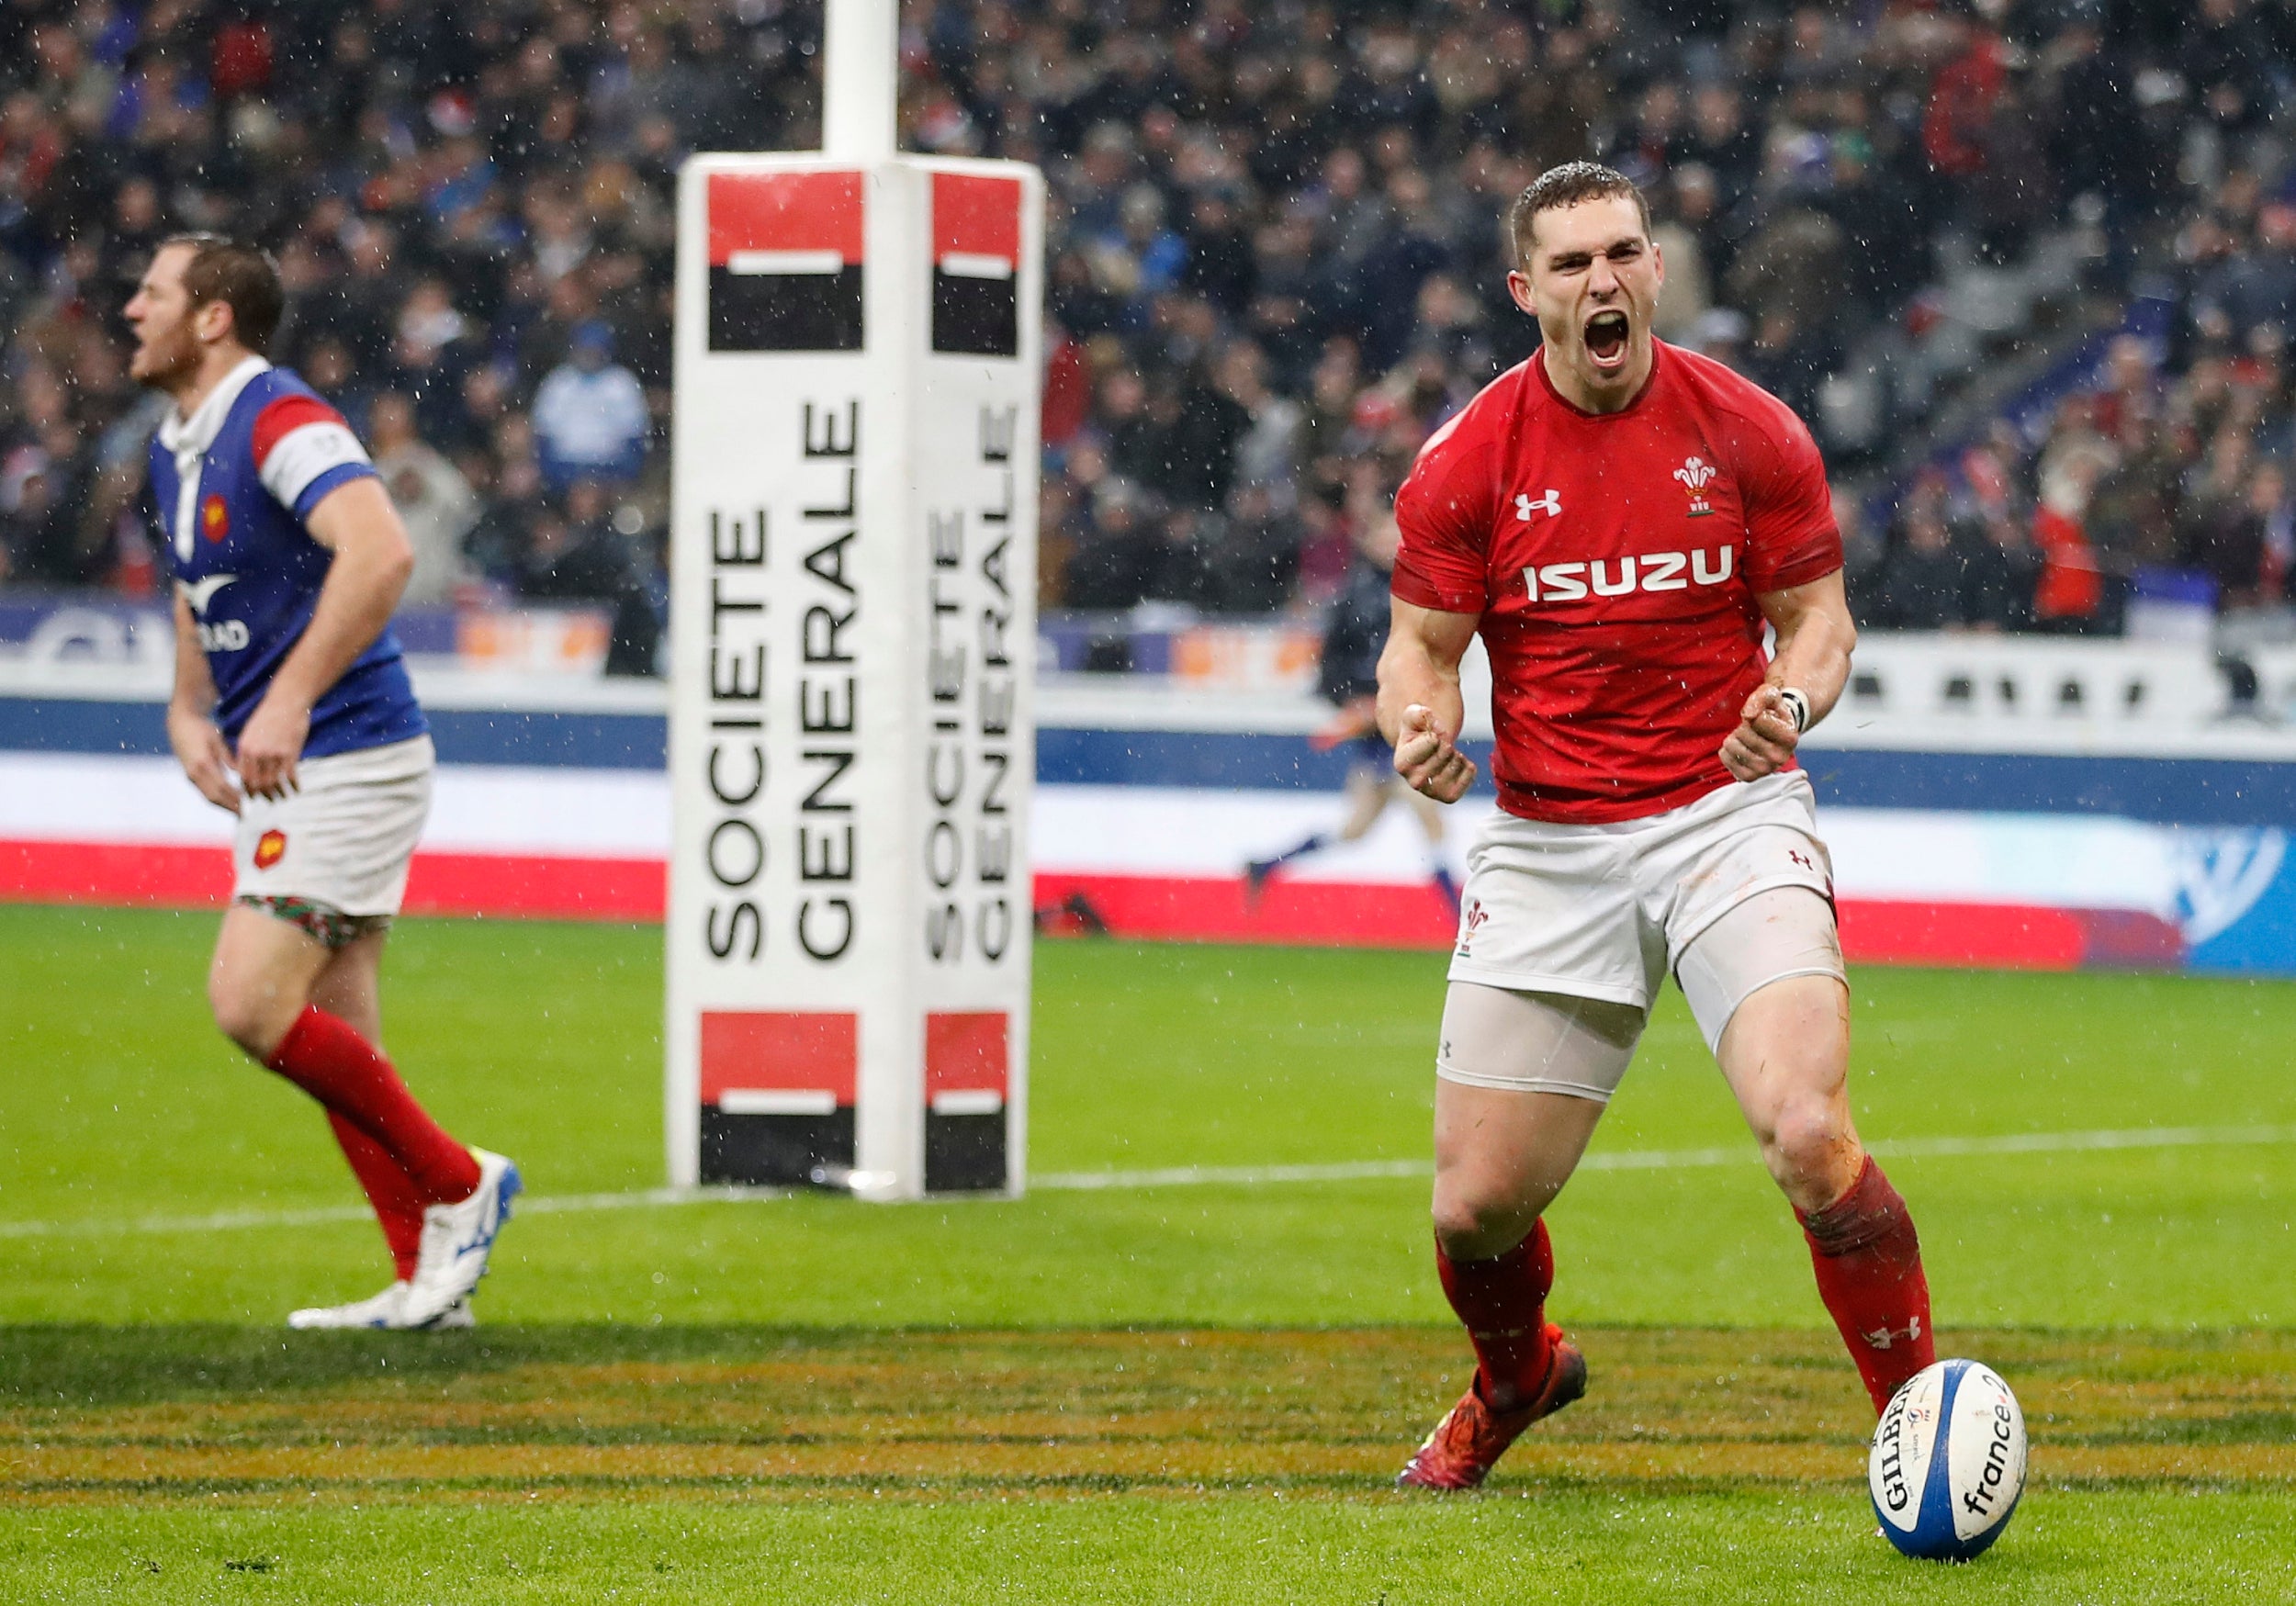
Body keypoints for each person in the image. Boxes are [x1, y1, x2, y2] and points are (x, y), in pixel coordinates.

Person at [1378, 164, 1933, 1490]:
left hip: (1728, 816)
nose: (1603, 281)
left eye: (1623, 253)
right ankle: (1516, 1376)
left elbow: (1821, 619)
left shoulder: (1749, 431)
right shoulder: (1469, 461)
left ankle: (1918, 1428)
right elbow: (1419, 646)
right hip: (1552, 836)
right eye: (1571, 265)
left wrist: (1790, 697)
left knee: (1807, 1129)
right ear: (1529, 295)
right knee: (1475, 1207)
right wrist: (1420, 720)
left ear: (1656, 269)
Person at [129, 235, 521, 1331]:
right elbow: (196, 584)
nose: (128, 309)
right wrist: (188, 704)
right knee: (340, 1039)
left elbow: (381, 550)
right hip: (307, 761)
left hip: (345, 753)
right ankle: (422, 1283)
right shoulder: (174, 443)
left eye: (151, 293)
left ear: (212, 317)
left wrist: (290, 697)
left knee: (250, 1004)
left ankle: (460, 1184)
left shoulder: (278, 417)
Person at [1245, 477, 1458, 917]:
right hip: (1381, 732)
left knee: (1365, 829)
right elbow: (1329, 667)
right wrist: (1353, 703)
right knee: (1414, 819)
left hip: (1407, 724)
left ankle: (1267, 864)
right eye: (1383, 535)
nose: (1390, 543)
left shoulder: (1423, 591)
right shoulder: (1354, 597)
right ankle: (1463, 923)